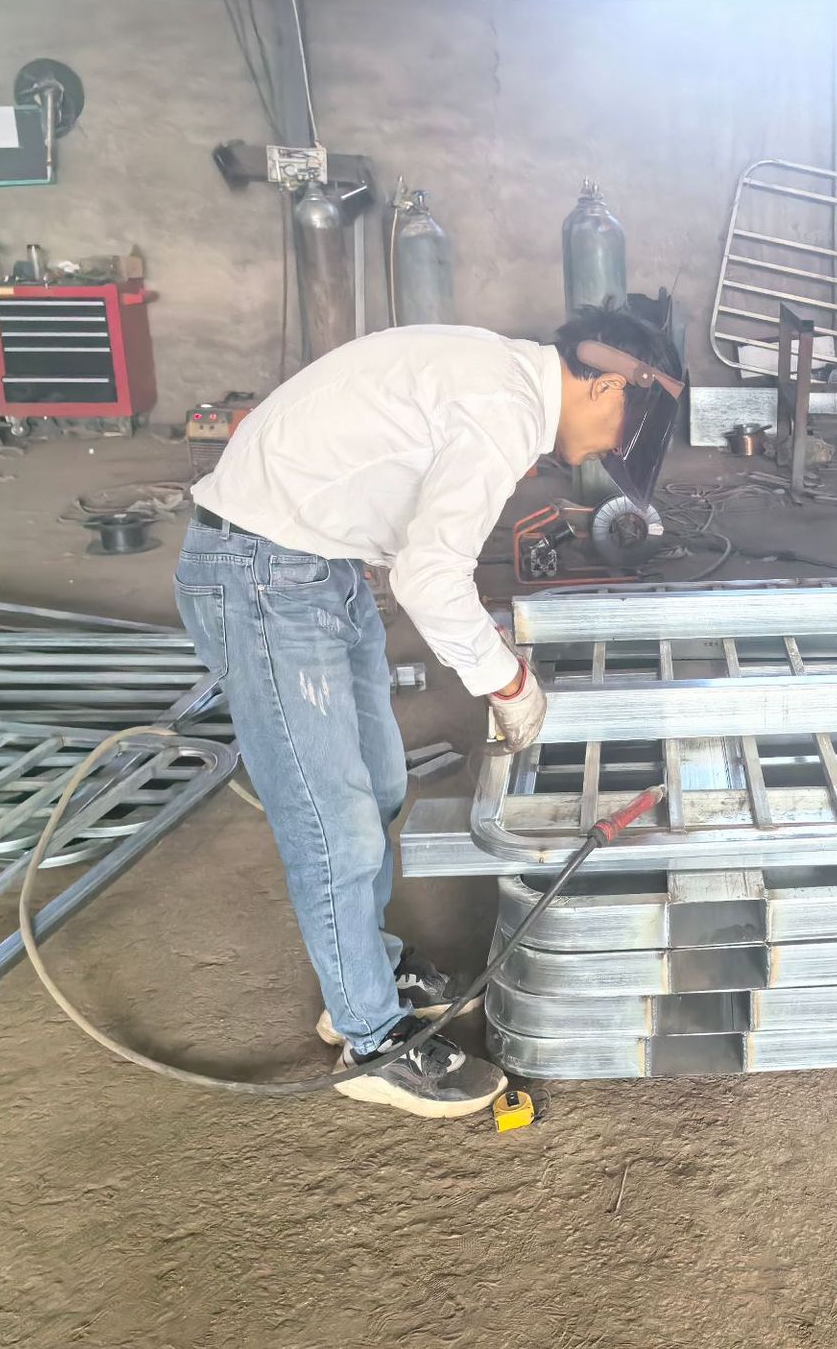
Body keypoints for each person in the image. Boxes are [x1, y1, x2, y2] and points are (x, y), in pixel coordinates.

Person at [177, 304, 684, 1118]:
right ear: (605, 385)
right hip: (261, 573)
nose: (603, 455)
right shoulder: (503, 408)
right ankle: (371, 1040)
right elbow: (429, 579)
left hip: (316, 564)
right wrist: (509, 683)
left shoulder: (500, 378)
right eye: (616, 434)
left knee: (378, 786)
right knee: (332, 822)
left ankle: (365, 969)